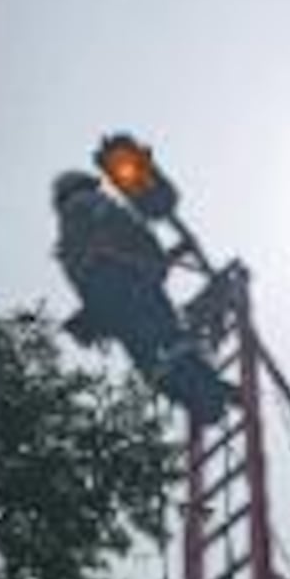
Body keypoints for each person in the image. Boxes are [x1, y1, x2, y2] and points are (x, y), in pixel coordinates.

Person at [52, 171, 233, 425]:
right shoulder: (90, 203)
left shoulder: (66, 233)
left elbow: (81, 271)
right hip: (127, 279)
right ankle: (207, 391)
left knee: (148, 358)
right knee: (169, 336)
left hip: (108, 300)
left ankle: (196, 397)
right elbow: (129, 233)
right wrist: (154, 258)